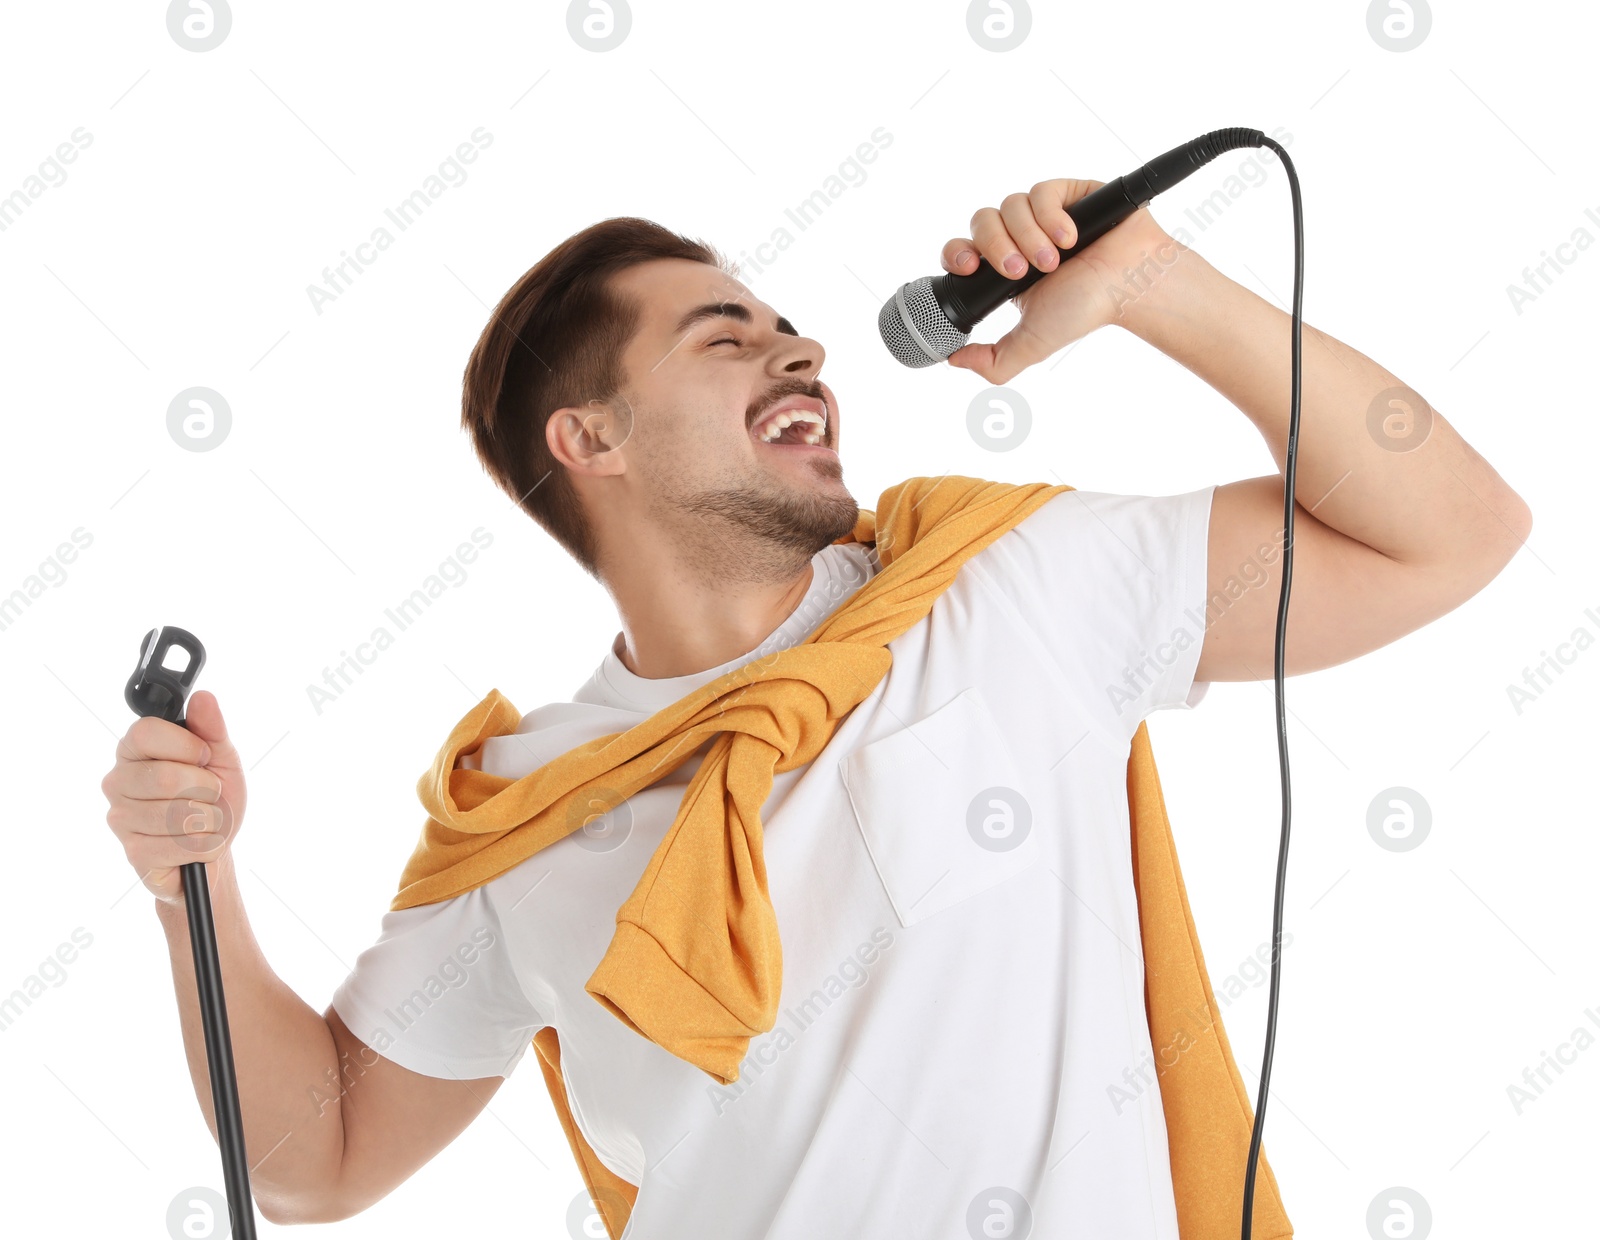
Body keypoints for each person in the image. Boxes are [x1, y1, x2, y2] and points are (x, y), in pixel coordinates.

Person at [101, 179, 1530, 1233]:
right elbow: (316, 1154)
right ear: (586, 439)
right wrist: (192, 886)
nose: (803, 355)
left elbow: (1450, 530)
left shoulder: (1005, 583)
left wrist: (1161, 286)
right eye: (726, 339)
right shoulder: (530, 817)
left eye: (791, 332)